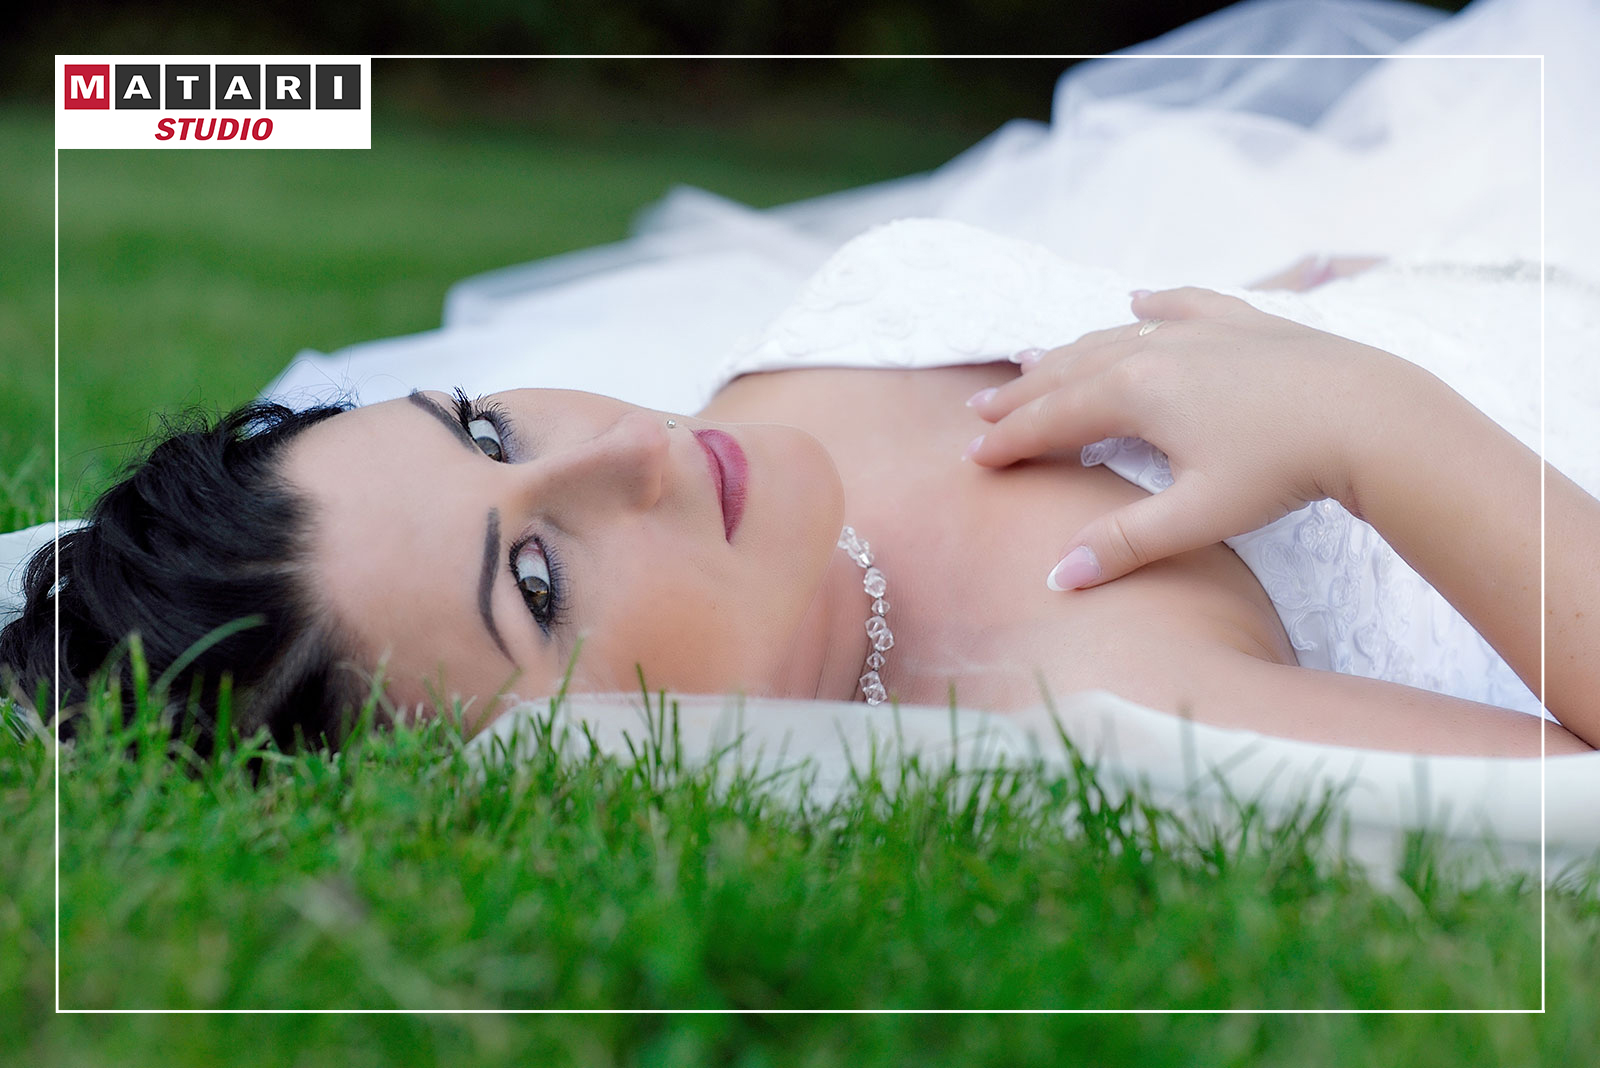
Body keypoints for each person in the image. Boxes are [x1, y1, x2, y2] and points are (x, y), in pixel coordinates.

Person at [3, 215, 1596, 758]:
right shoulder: (1098, 700)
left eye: (484, 430)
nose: (631, 452)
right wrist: (1365, 421)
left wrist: (1308, 311)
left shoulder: (781, 395)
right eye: (540, 581)